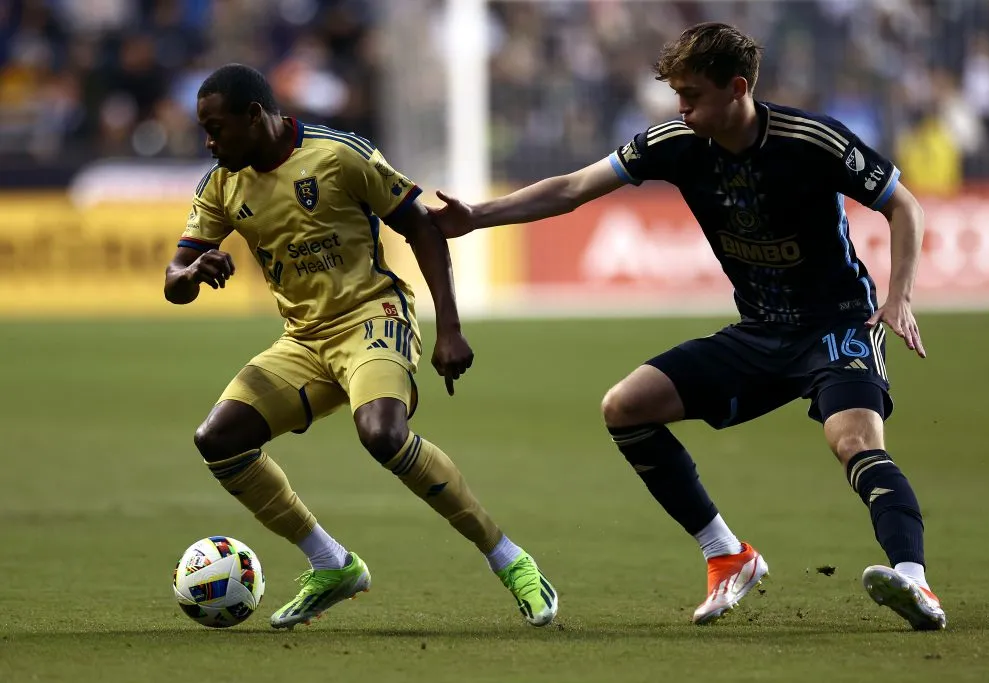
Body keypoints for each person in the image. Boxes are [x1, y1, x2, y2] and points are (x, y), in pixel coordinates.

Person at [430, 23, 945, 631]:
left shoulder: (811, 140)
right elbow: (572, 189)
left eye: (691, 95)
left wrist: (898, 298)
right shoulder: (674, 142)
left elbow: (901, 204)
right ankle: (727, 554)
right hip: (759, 332)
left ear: (737, 88)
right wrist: (476, 217)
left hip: (835, 325)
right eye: (675, 93)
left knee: (854, 441)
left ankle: (913, 581)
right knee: (625, 407)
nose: (680, 108)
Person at [164, 64, 557, 630]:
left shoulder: (339, 155)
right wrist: (194, 270)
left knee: (382, 433)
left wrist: (449, 327)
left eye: (217, 127)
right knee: (219, 440)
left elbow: (420, 227)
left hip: (374, 316)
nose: (209, 141)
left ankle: (510, 559)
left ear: (255, 116)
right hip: (302, 339)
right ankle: (332, 564)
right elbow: (173, 280)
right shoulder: (221, 185)